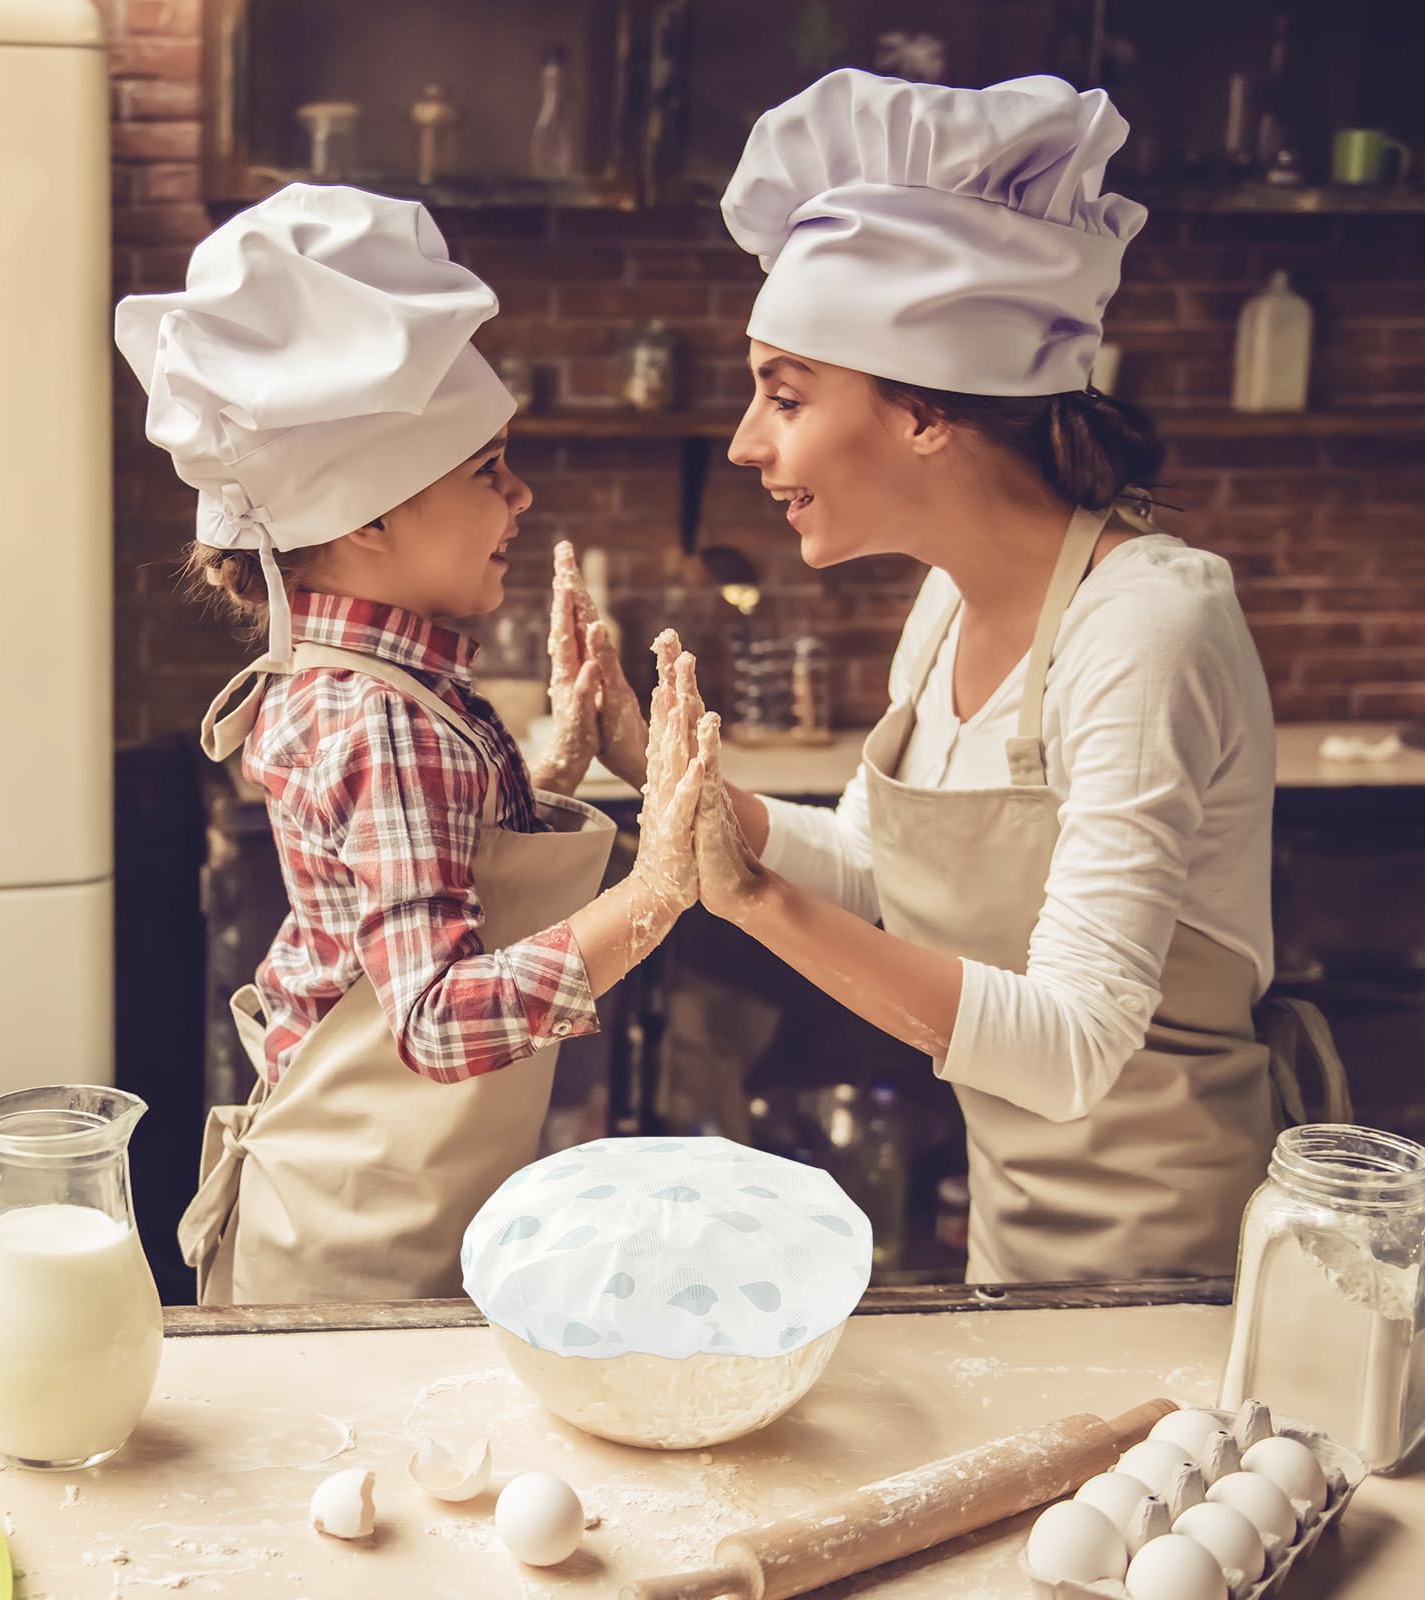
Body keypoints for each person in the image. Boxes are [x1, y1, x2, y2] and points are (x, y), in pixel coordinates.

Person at [632, 71, 1349, 1283]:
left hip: (1179, 1274)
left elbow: (1073, 1047)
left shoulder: (1146, 628)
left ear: (923, 413)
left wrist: (751, 898)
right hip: (1015, 1255)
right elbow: (873, 868)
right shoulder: (948, 601)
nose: (750, 443)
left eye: (784, 395)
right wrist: (712, 809)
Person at [114, 184, 701, 1305]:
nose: (521, 498)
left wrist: (555, 773)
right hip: (355, 1254)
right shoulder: (382, 717)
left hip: (363, 1206)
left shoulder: (371, 682)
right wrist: (660, 888)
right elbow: (430, 1024)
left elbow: (412, 873)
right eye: (487, 470)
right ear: (367, 517)